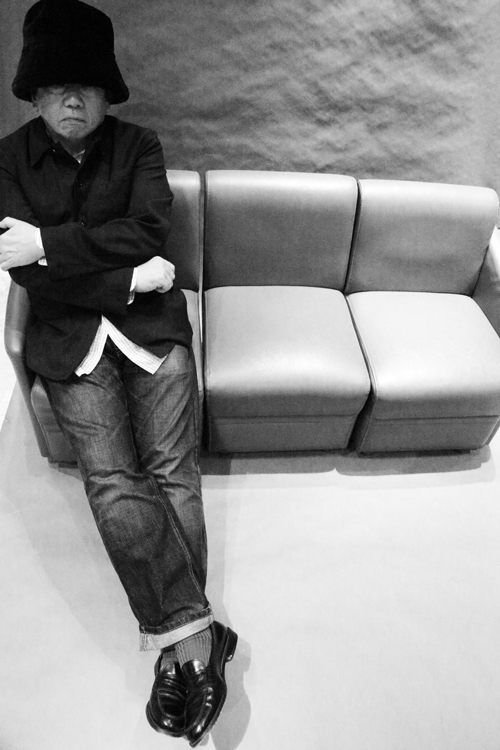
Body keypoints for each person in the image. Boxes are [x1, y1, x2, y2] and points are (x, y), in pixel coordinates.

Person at [0, 0, 237, 746]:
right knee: (110, 479)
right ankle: (198, 641)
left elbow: (146, 230)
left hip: (152, 328)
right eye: (56, 85)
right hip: (69, 336)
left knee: (172, 470)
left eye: (86, 85)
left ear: (107, 92)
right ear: (34, 93)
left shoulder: (141, 146)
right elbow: (26, 272)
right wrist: (126, 277)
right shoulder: (7, 159)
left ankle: (176, 644)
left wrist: (49, 244)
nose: (72, 99)